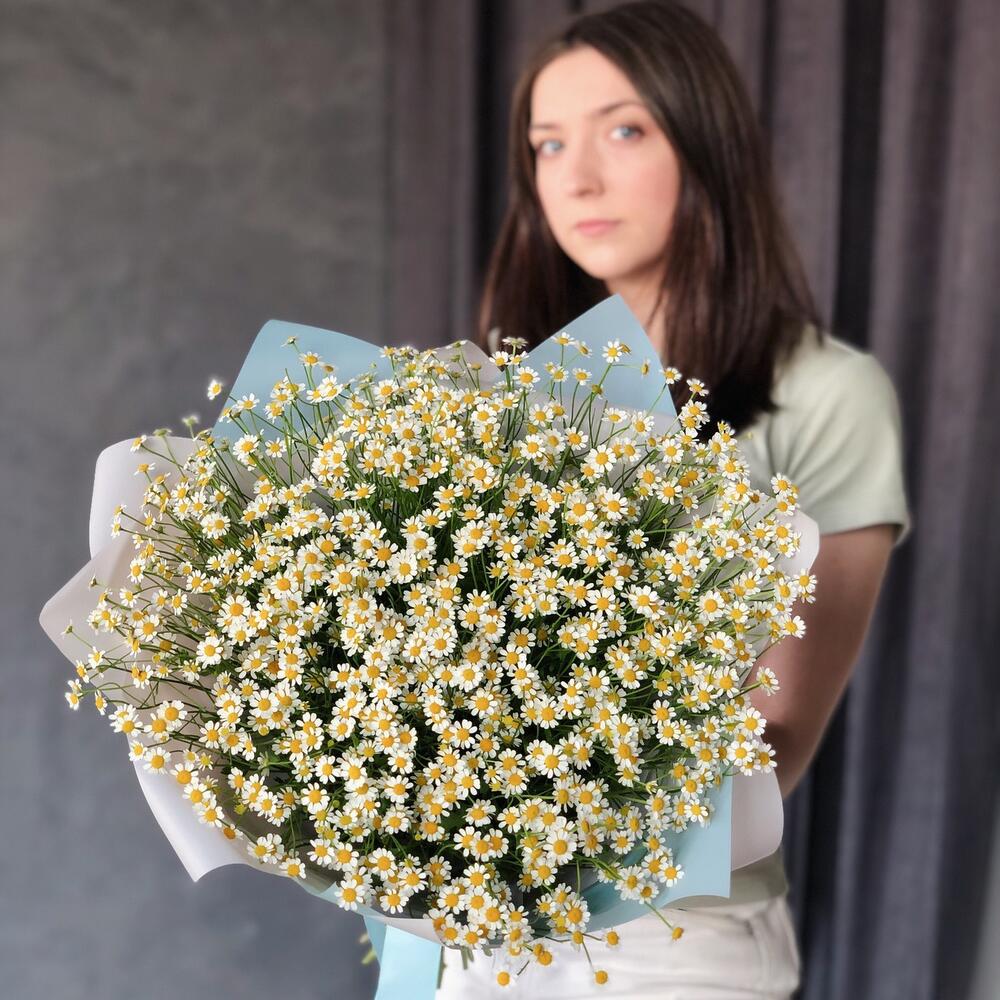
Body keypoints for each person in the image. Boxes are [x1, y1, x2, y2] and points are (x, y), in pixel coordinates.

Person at [436, 2, 911, 997]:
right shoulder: (504, 396)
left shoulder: (827, 395)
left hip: (678, 936)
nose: (577, 177)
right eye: (548, 144)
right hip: (484, 924)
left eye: (624, 131)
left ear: (707, 144)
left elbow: (775, 737)